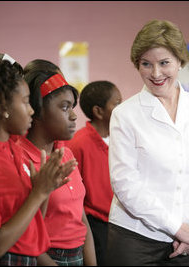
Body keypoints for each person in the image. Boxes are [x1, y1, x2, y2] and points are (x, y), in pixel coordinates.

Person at [106, 19, 189, 266]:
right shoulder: (125, 115)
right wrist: (177, 227)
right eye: (146, 64)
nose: (156, 73)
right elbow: (125, 183)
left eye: (164, 63)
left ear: (180, 61)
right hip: (135, 239)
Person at [0, 50, 77, 266]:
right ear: (3, 107)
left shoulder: (12, 148)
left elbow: (33, 221)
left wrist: (43, 188)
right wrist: (39, 192)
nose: (31, 111)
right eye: (26, 102)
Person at [21, 64, 97, 266]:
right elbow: (24, 236)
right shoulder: (20, 159)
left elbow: (81, 221)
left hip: (77, 255)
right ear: (36, 111)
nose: (73, 116)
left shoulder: (65, 153)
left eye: (72, 107)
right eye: (64, 107)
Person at [66, 80, 122, 265]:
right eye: (117, 103)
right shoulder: (78, 144)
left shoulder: (122, 139)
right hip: (95, 226)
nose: (122, 108)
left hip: (121, 222)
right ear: (99, 111)